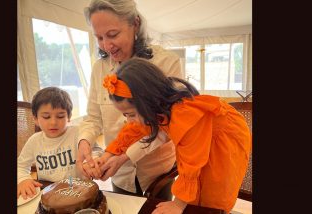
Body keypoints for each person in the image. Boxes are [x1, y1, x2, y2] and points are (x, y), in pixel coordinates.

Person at [92, 57, 251, 213]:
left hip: (225, 140)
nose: (129, 120)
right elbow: (133, 130)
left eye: (130, 114)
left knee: (212, 194)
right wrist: (108, 154)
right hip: (201, 139)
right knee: (196, 191)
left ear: (147, 101)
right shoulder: (156, 107)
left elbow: (191, 163)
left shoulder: (185, 116)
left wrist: (178, 204)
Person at [77, 0, 182, 199]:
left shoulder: (166, 62)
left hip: (157, 172)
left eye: (113, 34)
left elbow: (168, 125)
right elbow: (93, 118)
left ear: (135, 24)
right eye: (99, 38)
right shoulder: (99, 68)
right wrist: (84, 143)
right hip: (119, 174)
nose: (107, 46)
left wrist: (125, 156)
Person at [17, 87, 79, 200]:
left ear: (69, 117)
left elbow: (95, 150)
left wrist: (94, 160)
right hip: (48, 193)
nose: (53, 122)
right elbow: (20, 165)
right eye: (46, 117)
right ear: (35, 119)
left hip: (77, 191)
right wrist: (23, 179)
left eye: (60, 116)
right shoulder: (34, 140)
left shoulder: (77, 133)